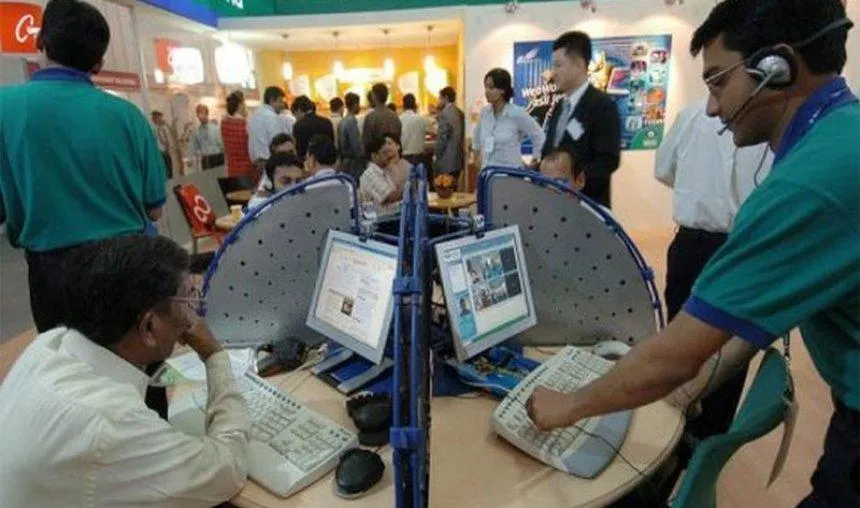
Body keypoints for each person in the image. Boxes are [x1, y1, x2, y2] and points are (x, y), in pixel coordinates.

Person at [527, 3, 858, 507]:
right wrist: (683, 387)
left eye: (718, 82)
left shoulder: (808, 181)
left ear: (778, 68)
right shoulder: (840, 137)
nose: (711, 108)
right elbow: (742, 326)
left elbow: (677, 355)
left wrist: (569, 405)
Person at [0, 236, 250, 507]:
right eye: (188, 296)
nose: (194, 308)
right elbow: (227, 471)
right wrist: (214, 355)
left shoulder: (49, 344)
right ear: (149, 327)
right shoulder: (113, 421)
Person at [0, 0, 166, 335]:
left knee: (67, 363)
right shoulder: (128, 117)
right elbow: (154, 209)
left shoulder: (5, 107)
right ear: (99, 62)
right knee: (135, 362)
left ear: (40, 42)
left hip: (52, 272)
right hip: (128, 265)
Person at [654, 98, 773, 443]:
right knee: (720, 355)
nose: (713, 105)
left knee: (686, 344)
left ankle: (674, 437)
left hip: (701, 245)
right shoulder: (767, 122)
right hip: (734, 248)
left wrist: (699, 191)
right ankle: (704, 441)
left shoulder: (691, 116)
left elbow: (664, 170)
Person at [540, 31, 621, 209]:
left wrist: (573, 182)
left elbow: (608, 160)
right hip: (555, 205)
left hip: (587, 206)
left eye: (558, 65)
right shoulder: (560, 106)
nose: (553, 73)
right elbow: (551, 150)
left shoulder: (602, 106)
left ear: (578, 64)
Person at [473, 68, 546, 169]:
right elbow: (476, 140)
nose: (487, 91)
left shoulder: (516, 113)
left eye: (491, 88)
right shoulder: (484, 113)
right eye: (486, 87)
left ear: (503, 90)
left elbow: (539, 135)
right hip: (487, 173)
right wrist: (477, 158)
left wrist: (535, 160)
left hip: (510, 173)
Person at [248, 86, 292, 170]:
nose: (282, 105)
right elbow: (278, 143)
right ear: (272, 100)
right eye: (280, 101)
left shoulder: (255, 115)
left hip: (257, 163)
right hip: (270, 162)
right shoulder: (272, 117)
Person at [360, 133, 403, 215]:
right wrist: (410, 189)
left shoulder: (384, 171)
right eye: (384, 153)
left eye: (388, 152)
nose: (389, 156)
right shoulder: (370, 175)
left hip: (391, 216)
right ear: (374, 156)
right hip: (380, 220)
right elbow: (390, 197)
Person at [434, 86, 466, 182]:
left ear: (446, 98)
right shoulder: (460, 112)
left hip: (447, 159)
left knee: (445, 186)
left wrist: (436, 154)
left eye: (440, 98)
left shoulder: (445, 113)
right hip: (458, 158)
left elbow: (442, 138)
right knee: (454, 185)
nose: (439, 100)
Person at [221, 91, 254, 179]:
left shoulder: (223, 124)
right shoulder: (245, 124)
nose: (246, 107)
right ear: (240, 105)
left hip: (232, 170)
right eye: (245, 104)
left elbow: (224, 147)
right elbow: (251, 150)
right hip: (247, 170)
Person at [291, 95, 334, 160]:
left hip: (308, 161)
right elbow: (331, 143)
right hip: (327, 159)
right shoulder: (327, 122)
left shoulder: (298, 126)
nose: (296, 118)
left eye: (295, 115)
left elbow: (300, 150)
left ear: (299, 110)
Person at [362, 83, 402, 153]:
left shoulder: (371, 117)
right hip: (394, 154)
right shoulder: (395, 116)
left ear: (374, 96)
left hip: (378, 156)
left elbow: (366, 142)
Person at [188, 104, 224, 170]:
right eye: (198, 113)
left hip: (217, 158)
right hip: (205, 160)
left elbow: (222, 145)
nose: (200, 115)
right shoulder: (197, 131)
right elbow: (193, 146)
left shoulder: (215, 128)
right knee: (207, 176)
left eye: (201, 112)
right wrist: (190, 159)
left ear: (207, 113)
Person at [399, 93, 430, 168]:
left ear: (403, 105)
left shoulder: (399, 119)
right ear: (415, 105)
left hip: (404, 157)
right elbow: (430, 132)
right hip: (419, 157)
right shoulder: (421, 119)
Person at [338, 92, 364, 179]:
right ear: (355, 105)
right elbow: (356, 147)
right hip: (353, 164)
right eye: (358, 104)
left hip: (344, 162)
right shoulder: (351, 122)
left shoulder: (342, 121)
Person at [151, 110, 174, 178]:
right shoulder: (154, 129)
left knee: (169, 173)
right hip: (159, 154)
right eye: (153, 118)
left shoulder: (164, 128)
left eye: (155, 117)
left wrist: (167, 148)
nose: (153, 119)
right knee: (163, 174)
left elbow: (168, 140)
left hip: (166, 153)